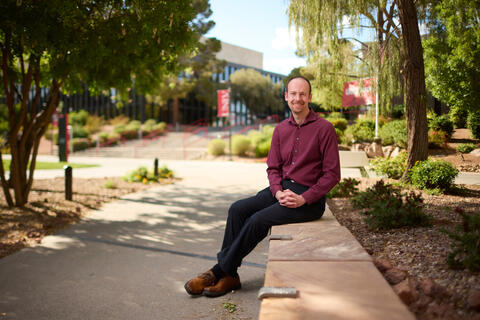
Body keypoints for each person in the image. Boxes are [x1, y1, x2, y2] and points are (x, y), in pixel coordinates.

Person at [184, 75, 341, 298]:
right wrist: (277, 192)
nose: (298, 98)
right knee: (237, 209)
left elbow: (333, 175)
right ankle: (230, 275)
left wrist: (303, 198)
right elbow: (273, 168)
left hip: (309, 199)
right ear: (286, 97)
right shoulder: (280, 129)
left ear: (309, 97)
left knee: (258, 220)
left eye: (302, 94)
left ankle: (219, 272)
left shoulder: (324, 129)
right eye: (293, 93)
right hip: (282, 189)